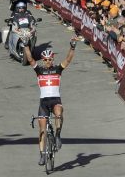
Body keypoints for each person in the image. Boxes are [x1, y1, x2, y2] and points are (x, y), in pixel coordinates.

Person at [22, 38, 77, 166]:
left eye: (50, 59)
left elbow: (68, 60)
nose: (47, 62)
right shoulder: (39, 71)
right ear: (43, 60)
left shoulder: (58, 69)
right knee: (42, 130)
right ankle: (42, 154)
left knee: (58, 113)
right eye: (45, 60)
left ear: (52, 59)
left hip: (55, 100)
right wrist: (25, 45)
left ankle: (57, 135)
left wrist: (72, 47)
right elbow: (30, 59)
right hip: (43, 103)